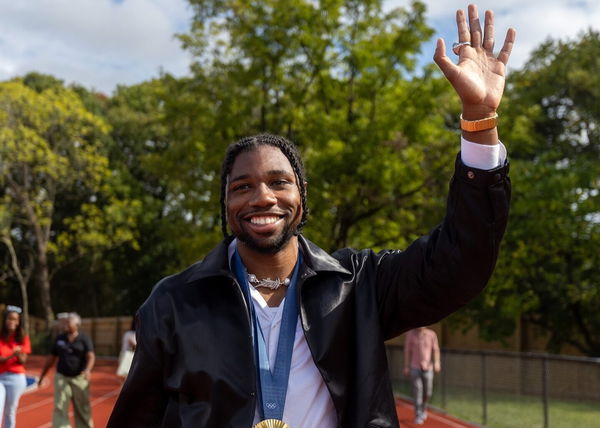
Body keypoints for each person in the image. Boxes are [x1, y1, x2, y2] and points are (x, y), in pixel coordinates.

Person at [108, 4, 515, 427]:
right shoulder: (174, 302)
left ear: (302, 197)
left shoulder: (357, 287)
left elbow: (461, 261)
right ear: (226, 206)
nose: (262, 197)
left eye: (279, 182)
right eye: (242, 187)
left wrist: (479, 120)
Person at [38, 312, 95, 428]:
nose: (65, 324)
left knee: (82, 408)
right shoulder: (60, 338)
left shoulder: (84, 339)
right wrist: (42, 375)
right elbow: (51, 359)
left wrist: (88, 369)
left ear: (77, 324)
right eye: (65, 322)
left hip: (79, 378)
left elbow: (91, 356)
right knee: (60, 407)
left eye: (69, 322)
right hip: (62, 377)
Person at [0, 305, 31, 428]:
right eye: (9, 318)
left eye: (15, 319)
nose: (12, 322)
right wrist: (12, 354)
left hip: (16, 378)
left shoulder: (23, 338)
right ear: (5, 320)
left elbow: (23, 361)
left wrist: (18, 354)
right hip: (0, 377)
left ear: (18, 322)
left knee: (10, 412)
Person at [403, 327, 441, 424]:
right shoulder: (410, 334)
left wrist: (437, 362)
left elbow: (435, 350)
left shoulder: (431, 334)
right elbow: (407, 351)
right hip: (415, 367)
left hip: (428, 368)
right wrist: (406, 366)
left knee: (427, 393)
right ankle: (418, 414)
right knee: (417, 391)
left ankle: (423, 408)